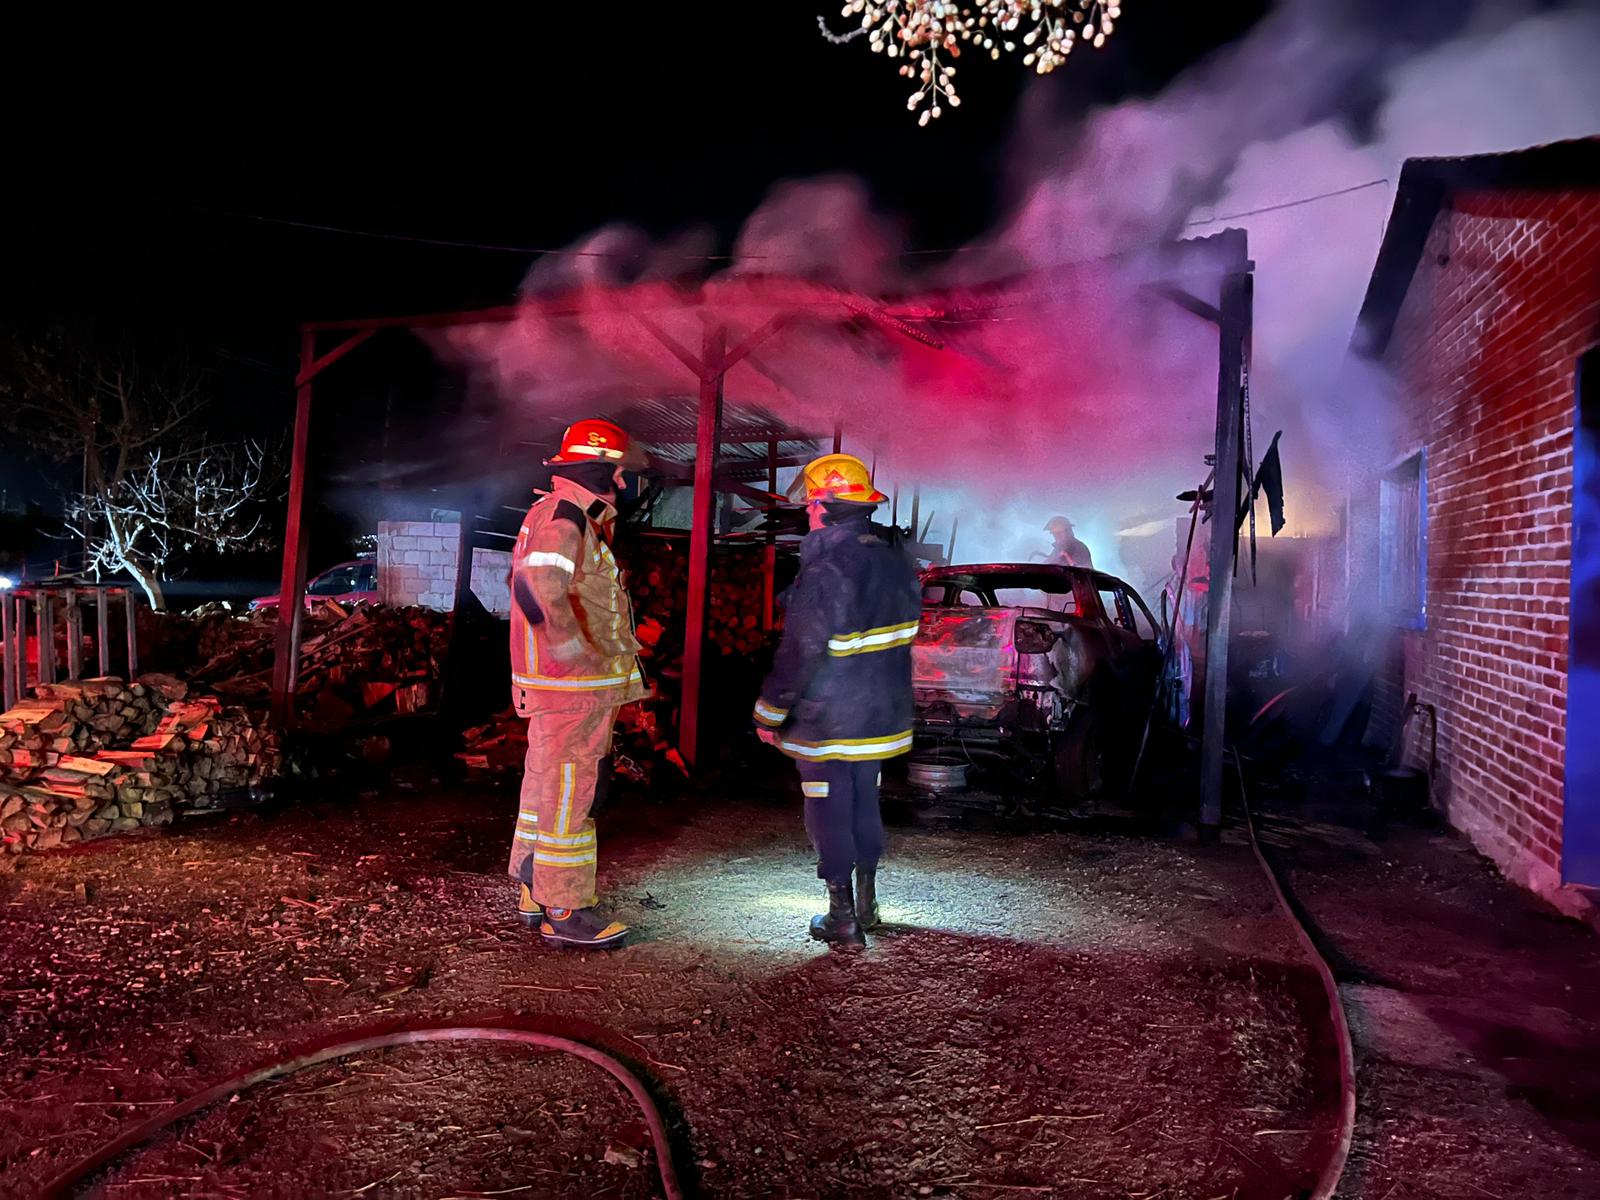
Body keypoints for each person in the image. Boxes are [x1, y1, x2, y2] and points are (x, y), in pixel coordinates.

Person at [752, 453, 921, 947]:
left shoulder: (825, 567)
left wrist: (770, 711)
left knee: (828, 805)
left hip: (830, 720)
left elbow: (801, 651)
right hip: (881, 715)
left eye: (809, 505)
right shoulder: (895, 563)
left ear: (825, 506)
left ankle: (841, 918)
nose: (806, 513)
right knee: (866, 799)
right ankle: (867, 905)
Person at [508, 418, 648, 949]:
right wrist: (569, 650)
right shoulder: (567, 517)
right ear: (601, 469)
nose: (622, 483)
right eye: (617, 472)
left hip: (561, 688)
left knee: (545, 784)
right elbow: (537, 587)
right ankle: (564, 908)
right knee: (570, 791)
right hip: (574, 690)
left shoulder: (560, 515)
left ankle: (533, 885)